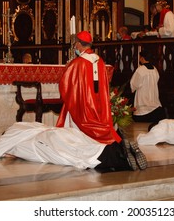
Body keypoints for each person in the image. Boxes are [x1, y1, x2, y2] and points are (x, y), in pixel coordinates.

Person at [56, 30, 148, 170]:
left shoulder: (77, 63)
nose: (75, 47)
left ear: (80, 45)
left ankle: (121, 156)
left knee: (81, 140)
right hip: (99, 106)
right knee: (102, 136)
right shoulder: (100, 61)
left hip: (84, 106)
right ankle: (123, 150)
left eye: (76, 45)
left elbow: (66, 85)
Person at [130, 49, 166, 124]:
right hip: (154, 101)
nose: (139, 59)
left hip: (143, 101)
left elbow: (134, 84)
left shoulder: (140, 69)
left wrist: (132, 88)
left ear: (143, 58)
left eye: (140, 57)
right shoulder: (154, 69)